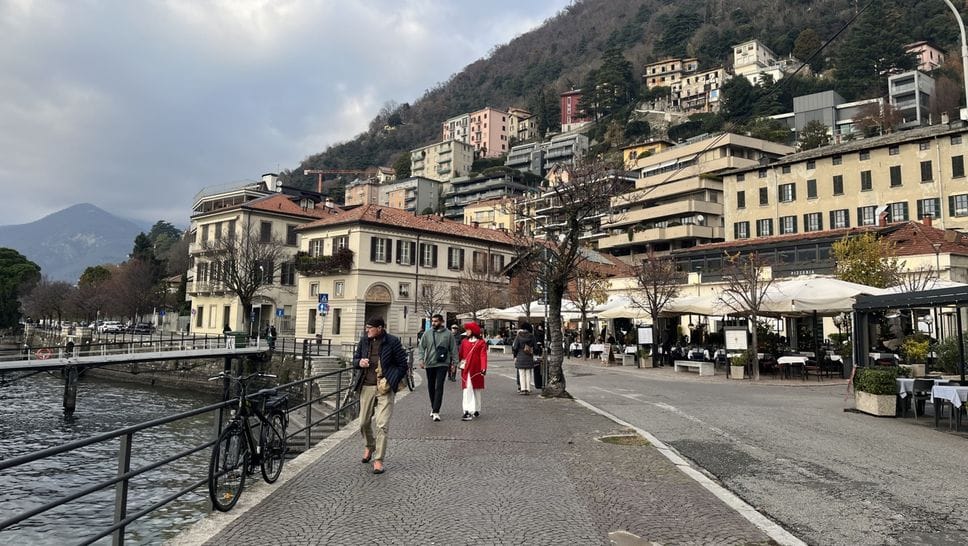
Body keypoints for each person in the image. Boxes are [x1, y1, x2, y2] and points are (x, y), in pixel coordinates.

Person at [351, 316, 408, 474]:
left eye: (370, 327)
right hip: (367, 386)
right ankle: (370, 445)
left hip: (385, 388)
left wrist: (392, 380)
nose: (367, 330)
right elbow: (354, 360)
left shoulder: (392, 341)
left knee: (382, 425)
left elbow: (402, 364)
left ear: (380, 328)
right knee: (363, 422)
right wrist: (359, 363)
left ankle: (378, 460)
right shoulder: (364, 341)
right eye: (367, 327)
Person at [416, 313, 457, 421]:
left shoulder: (448, 334)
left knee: (439, 386)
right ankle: (433, 406)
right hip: (429, 363)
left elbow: (453, 349)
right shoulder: (427, 333)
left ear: (441, 322)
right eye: (433, 321)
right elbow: (421, 347)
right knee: (431, 386)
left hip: (443, 364)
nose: (433, 323)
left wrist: (455, 364)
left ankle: (436, 411)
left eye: (436, 321)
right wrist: (420, 359)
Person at [458, 322, 487, 421]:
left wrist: (483, 367)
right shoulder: (464, 342)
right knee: (467, 389)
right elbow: (460, 354)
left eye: (468, 330)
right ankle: (467, 410)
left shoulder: (481, 342)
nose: (466, 332)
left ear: (473, 331)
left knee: (476, 389)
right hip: (466, 369)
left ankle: (476, 409)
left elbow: (483, 355)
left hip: (476, 369)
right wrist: (455, 363)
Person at [512, 322, 536, 395]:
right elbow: (535, 347)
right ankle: (528, 388)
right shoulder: (532, 336)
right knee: (528, 373)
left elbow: (515, 347)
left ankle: (523, 389)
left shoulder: (519, 336)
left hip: (520, 356)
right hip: (529, 356)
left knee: (522, 373)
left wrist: (515, 356)